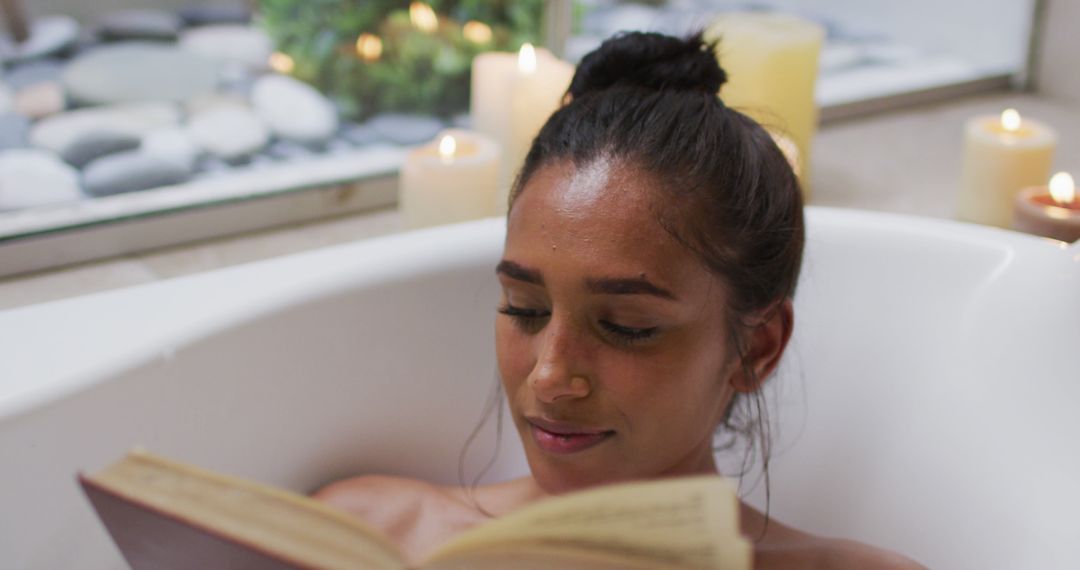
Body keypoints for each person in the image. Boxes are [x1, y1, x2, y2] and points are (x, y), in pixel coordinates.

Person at [315, 31, 924, 569]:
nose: (551, 377)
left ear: (755, 348)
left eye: (626, 326)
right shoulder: (371, 537)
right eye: (524, 309)